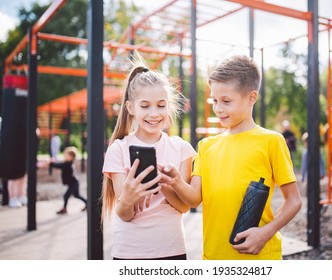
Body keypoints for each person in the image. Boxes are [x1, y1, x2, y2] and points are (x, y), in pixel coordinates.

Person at [159, 55, 302, 260]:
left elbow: (294, 201)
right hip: (214, 257)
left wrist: (265, 233)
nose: (218, 108)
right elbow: (194, 200)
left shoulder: (272, 141)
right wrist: (174, 180)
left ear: (251, 97)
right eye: (214, 100)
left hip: (259, 258)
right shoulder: (206, 146)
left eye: (226, 101)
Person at [101, 54, 196, 260]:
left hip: (173, 250)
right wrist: (130, 195)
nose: (154, 113)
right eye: (145, 106)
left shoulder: (181, 148)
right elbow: (125, 214)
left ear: (169, 107)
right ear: (131, 108)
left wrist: (168, 185)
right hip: (129, 253)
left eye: (161, 105)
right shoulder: (118, 149)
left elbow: (184, 207)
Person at [50, 146, 87, 214]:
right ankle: (87, 203)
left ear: (71, 156)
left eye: (66, 155)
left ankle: (64, 209)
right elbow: (61, 164)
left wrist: (51, 163)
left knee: (66, 195)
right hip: (74, 183)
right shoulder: (67, 163)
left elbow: (60, 165)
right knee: (77, 195)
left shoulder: (68, 164)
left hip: (74, 183)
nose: (64, 156)